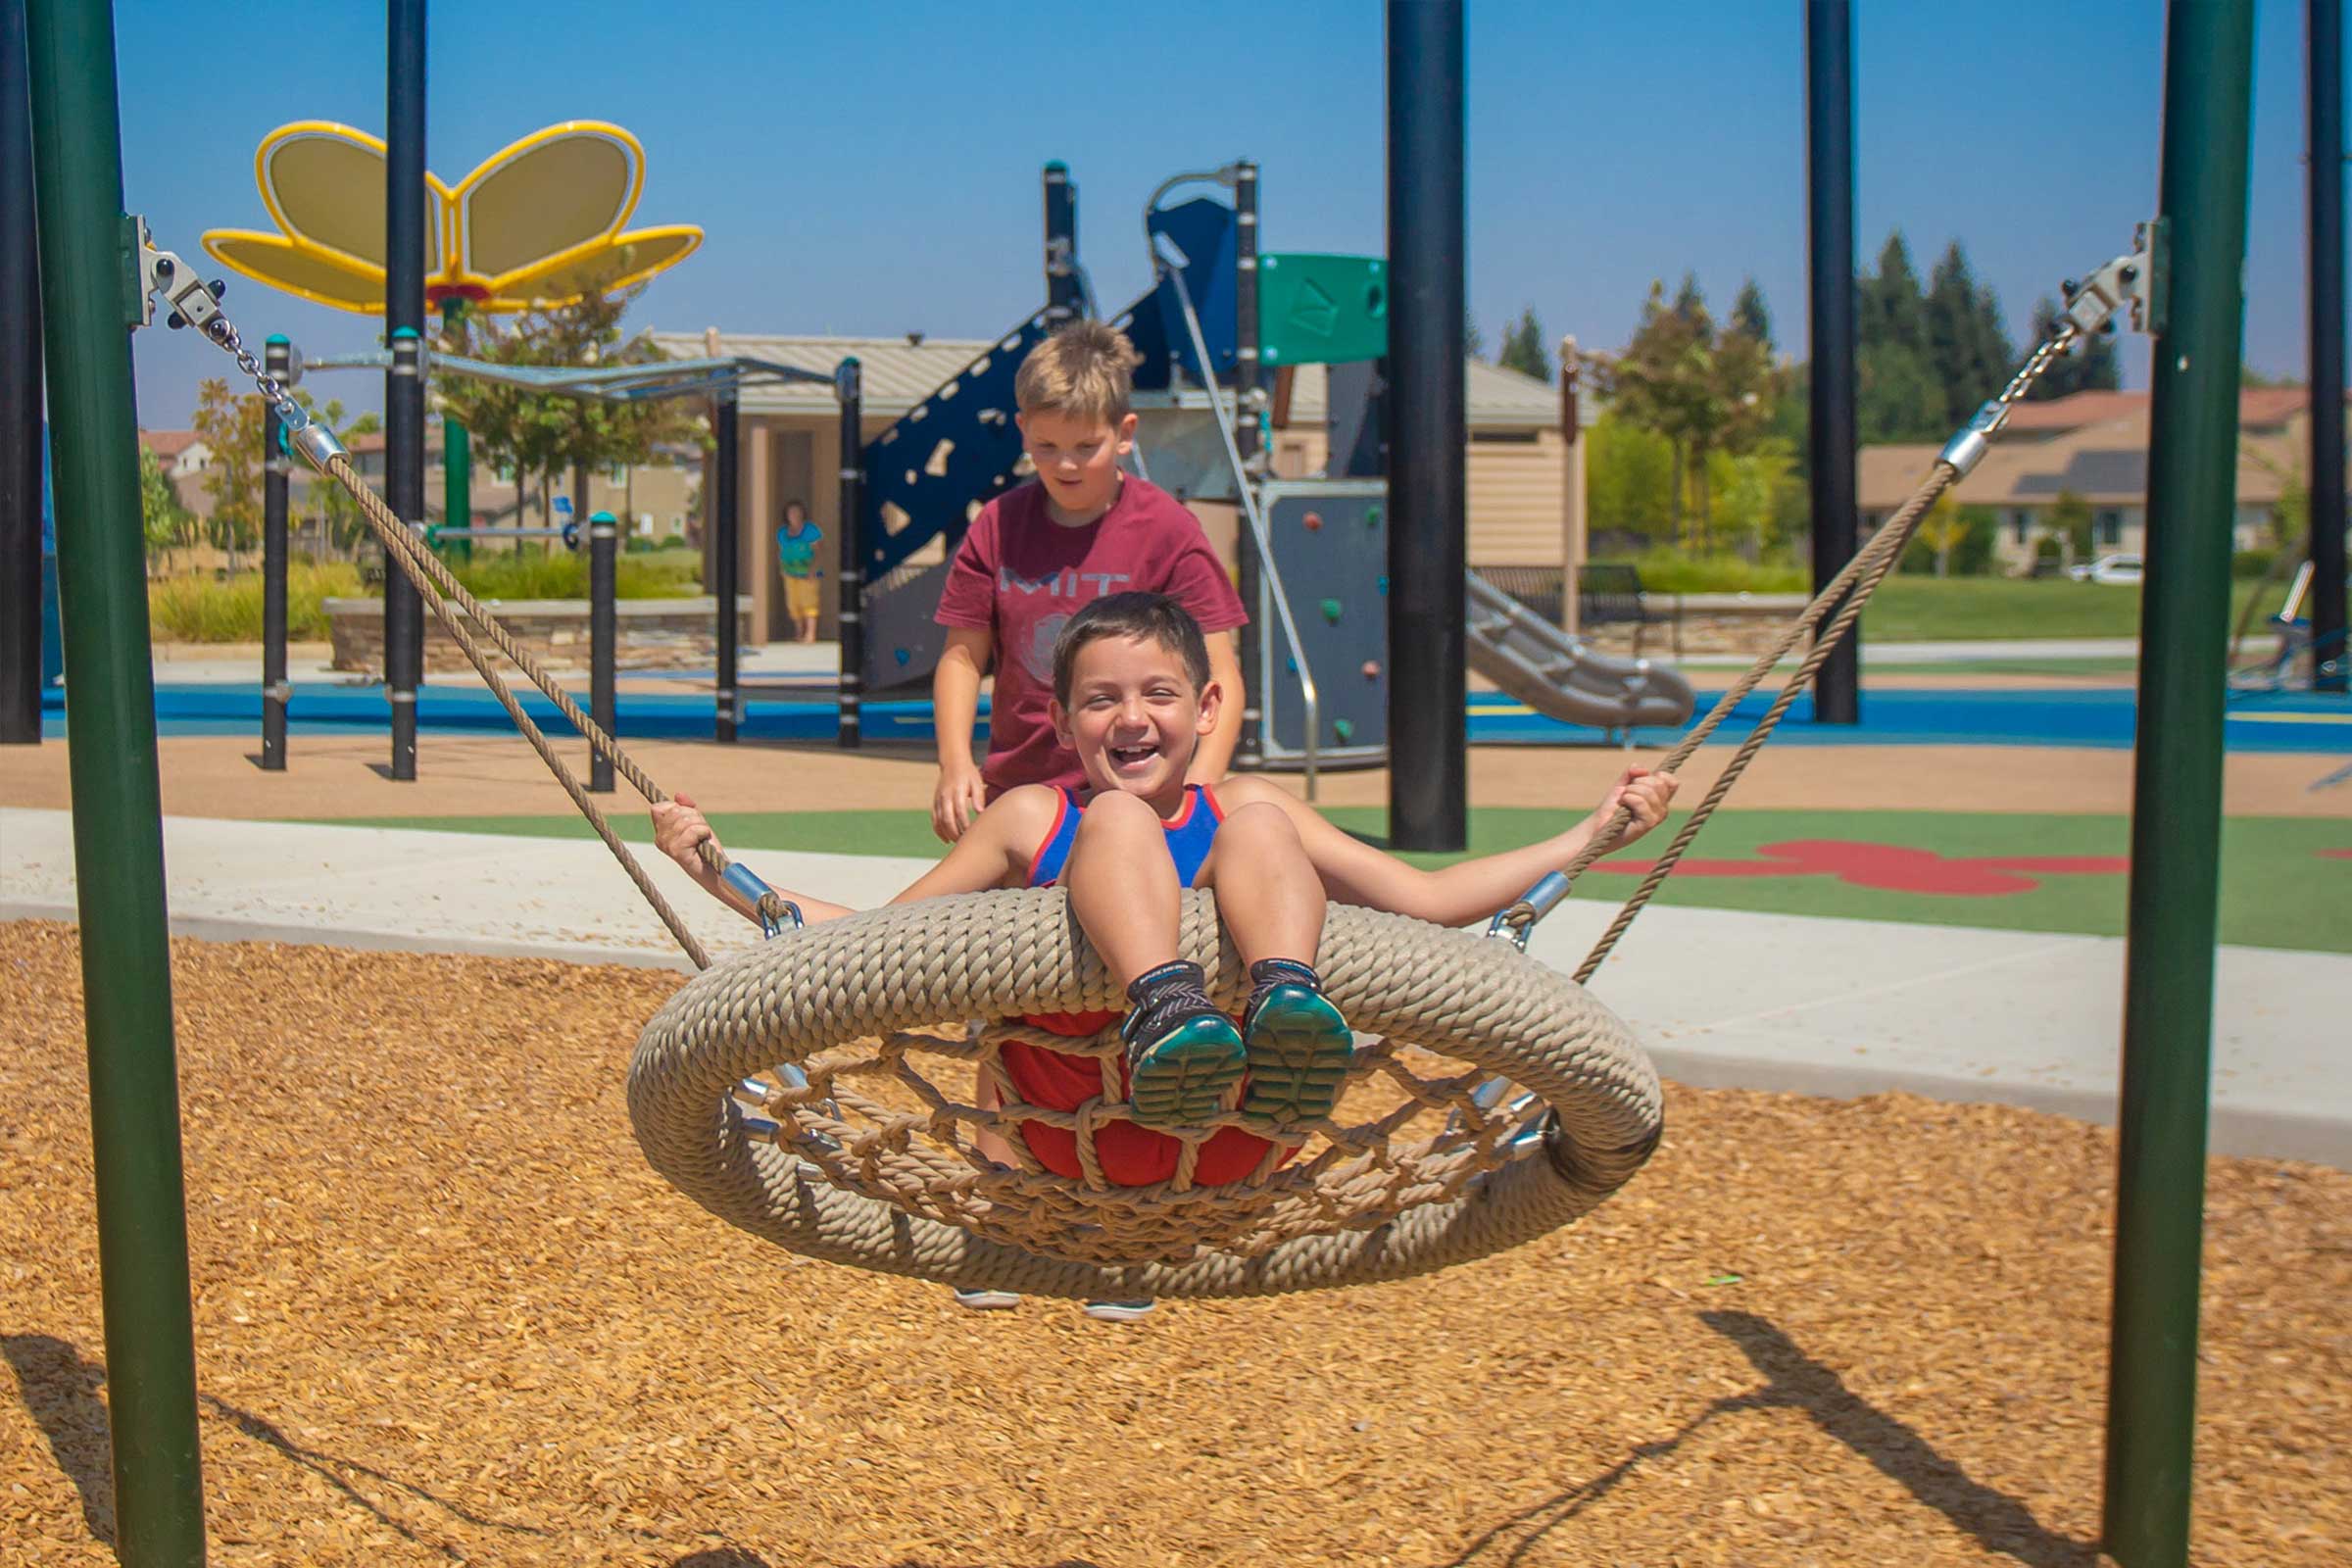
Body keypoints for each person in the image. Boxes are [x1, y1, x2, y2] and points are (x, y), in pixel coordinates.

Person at [651, 593, 1678, 1318]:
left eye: (1158, 693)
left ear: (1206, 711)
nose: (1130, 717)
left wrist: (1587, 838)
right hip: (1075, 1142)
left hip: (1240, 1137)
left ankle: (1280, 999)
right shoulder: (1033, 816)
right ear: (1058, 719)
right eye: (1099, 699)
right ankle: (1166, 1010)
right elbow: (880, 946)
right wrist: (730, 880)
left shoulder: (1246, 811)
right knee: (1115, 828)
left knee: (1263, 828)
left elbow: (1430, 901)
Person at [929, 320, 1248, 846]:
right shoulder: (997, 525)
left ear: (1124, 434)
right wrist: (955, 763)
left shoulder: (1167, 529)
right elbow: (962, 657)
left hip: (1140, 799)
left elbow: (1221, 673)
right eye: (1046, 445)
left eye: (1085, 445)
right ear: (1023, 429)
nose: (1066, 463)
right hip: (1020, 794)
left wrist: (1199, 785)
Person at [775, 500, 823, 644]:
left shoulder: (811, 530)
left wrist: (813, 570)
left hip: (809, 573)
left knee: (809, 602)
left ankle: (810, 634)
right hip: (790, 573)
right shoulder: (782, 532)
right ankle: (799, 633)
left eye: (797, 512)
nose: (794, 515)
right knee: (793, 604)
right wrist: (782, 568)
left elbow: (819, 551)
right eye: (791, 512)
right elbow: (782, 552)